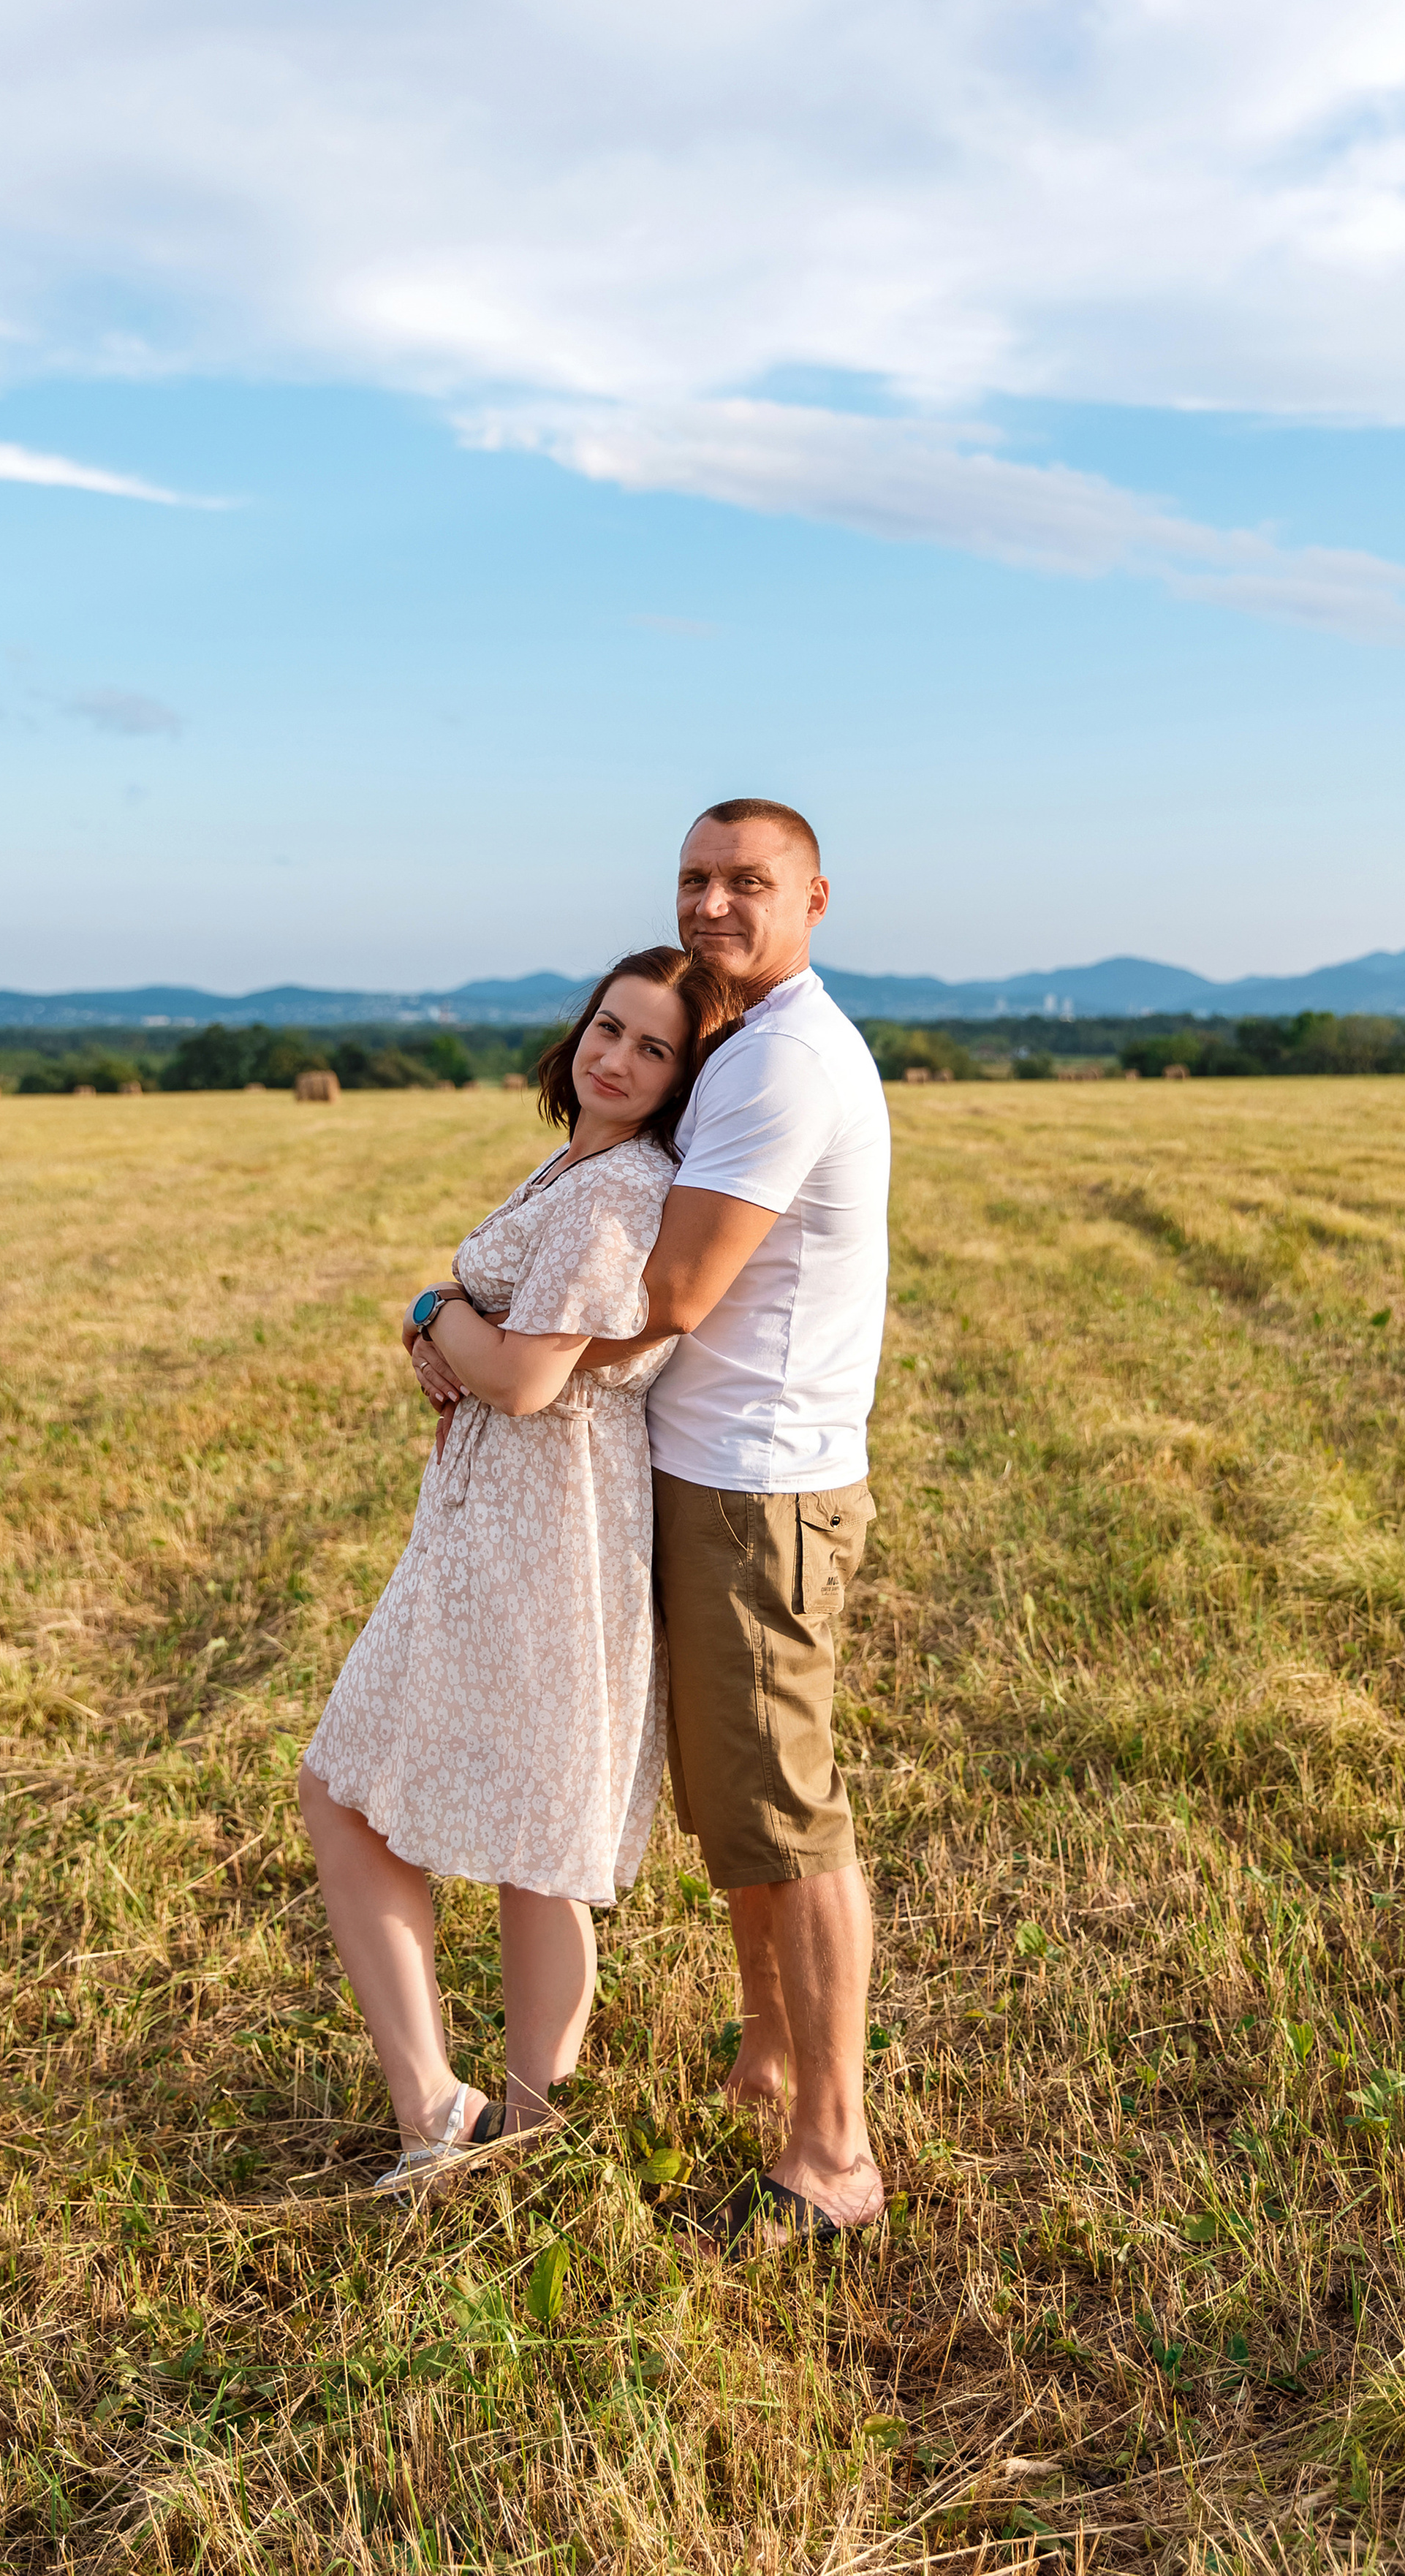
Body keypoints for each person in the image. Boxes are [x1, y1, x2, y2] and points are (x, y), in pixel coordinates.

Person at [295, 945, 743, 2192]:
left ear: (681, 1080)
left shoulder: (614, 1194)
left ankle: (453, 2114)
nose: (617, 1058)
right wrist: (440, 1312)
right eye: (610, 1028)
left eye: (654, 1050)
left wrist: (436, 1313)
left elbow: (531, 1379)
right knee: (509, 1820)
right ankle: (509, 2126)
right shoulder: (579, 1163)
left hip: (541, 1523)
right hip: (502, 1512)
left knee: (363, 1791)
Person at [576, 799, 891, 2241]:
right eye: (693, 879)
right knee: (739, 1816)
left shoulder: (781, 1063)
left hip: (761, 1485)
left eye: (744, 881)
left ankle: (829, 2154)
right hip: (713, 1471)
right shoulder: (743, 1045)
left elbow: (674, 1290)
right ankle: (770, 2057)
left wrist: (471, 1328)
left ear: (813, 896)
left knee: (786, 1815)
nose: (710, 904)